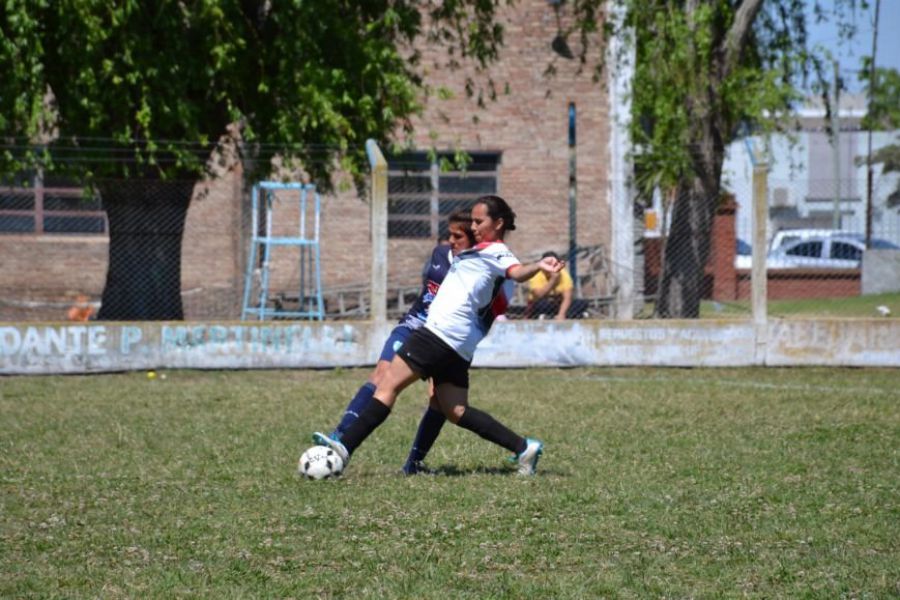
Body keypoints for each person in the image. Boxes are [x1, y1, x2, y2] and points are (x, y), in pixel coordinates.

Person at [313, 194, 564, 476]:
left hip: (438, 334)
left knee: (387, 387)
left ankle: (341, 451)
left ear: (499, 223)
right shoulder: (477, 251)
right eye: (472, 221)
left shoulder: (497, 252)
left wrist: (539, 265)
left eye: (479, 221)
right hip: (459, 347)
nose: (475, 226)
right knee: (456, 411)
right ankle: (523, 447)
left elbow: (517, 272)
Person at [316, 209, 478, 475]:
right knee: (382, 373)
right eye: (448, 234)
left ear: (472, 238)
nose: (449, 240)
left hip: (442, 337)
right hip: (413, 325)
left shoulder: (477, 268)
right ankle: (339, 435)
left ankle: (413, 464)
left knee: (438, 399)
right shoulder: (439, 254)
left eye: (457, 235)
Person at [524, 251, 574, 320]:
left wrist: (561, 314)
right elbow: (539, 295)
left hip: (558, 303)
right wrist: (553, 280)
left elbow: (567, 297)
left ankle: (559, 315)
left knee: (580, 304)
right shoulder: (537, 274)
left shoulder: (563, 273)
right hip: (540, 303)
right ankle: (545, 316)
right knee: (542, 305)